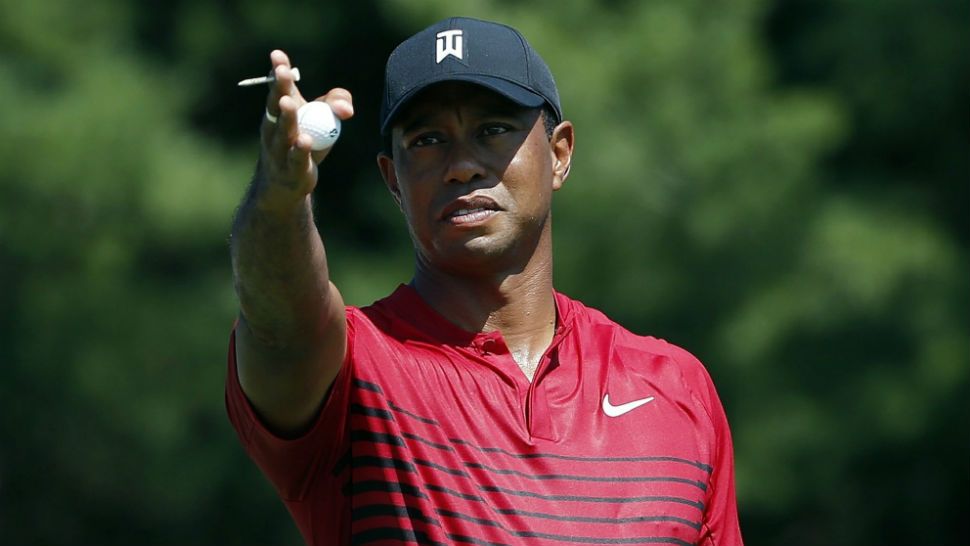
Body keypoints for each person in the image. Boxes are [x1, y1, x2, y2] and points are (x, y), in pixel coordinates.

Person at [227, 16, 743, 546]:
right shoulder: (354, 371)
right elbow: (279, 317)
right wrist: (280, 197)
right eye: (428, 140)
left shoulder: (675, 387)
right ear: (393, 181)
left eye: (492, 130)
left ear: (560, 154)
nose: (462, 165)